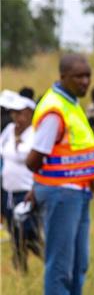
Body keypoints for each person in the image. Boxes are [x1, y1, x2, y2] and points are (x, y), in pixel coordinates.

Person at [26, 53, 94, 295]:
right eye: (78, 76)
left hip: (77, 192)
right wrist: (46, 184)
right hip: (62, 193)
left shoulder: (70, 102)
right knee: (60, 266)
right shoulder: (54, 110)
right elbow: (33, 159)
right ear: (63, 75)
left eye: (88, 75)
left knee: (78, 263)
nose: (85, 81)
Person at [0, 91, 41, 272]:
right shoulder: (9, 130)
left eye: (20, 113)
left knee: (28, 232)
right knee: (14, 232)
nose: (16, 117)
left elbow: (26, 155)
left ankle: (49, 259)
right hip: (8, 191)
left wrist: (17, 143)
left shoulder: (34, 133)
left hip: (25, 191)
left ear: (29, 114)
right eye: (13, 113)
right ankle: (20, 268)